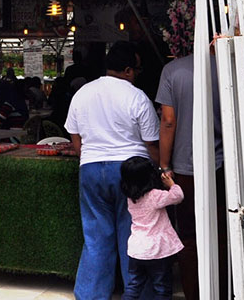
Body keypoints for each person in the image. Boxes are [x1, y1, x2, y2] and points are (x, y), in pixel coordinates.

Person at [65, 41, 160, 300]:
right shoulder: (136, 96)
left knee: (96, 237)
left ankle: (90, 295)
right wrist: (161, 170)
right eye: (137, 69)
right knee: (133, 234)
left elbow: (75, 136)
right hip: (131, 171)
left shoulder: (83, 93)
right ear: (128, 70)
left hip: (91, 168)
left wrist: (88, 156)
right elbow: (151, 142)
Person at [156, 54, 226, 300]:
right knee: (221, 234)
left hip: (185, 168)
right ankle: (221, 291)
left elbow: (168, 120)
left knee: (188, 236)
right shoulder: (229, 65)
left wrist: (164, 164)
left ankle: (194, 294)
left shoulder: (172, 70)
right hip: (222, 165)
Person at [120, 156, 184, 299]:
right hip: (157, 250)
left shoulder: (131, 198)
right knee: (162, 288)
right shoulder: (155, 196)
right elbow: (178, 196)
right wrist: (171, 184)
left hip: (137, 249)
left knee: (134, 286)